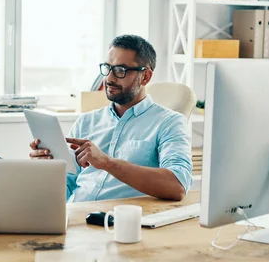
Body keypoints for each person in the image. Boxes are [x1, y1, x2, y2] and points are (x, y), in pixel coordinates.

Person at [29, 35, 192, 202]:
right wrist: (47, 170)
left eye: (120, 70)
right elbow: (67, 184)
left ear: (146, 77)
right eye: (107, 68)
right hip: (75, 216)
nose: (109, 79)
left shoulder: (169, 123)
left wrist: (106, 163)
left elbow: (177, 186)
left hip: (118, 221)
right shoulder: (86, 121)